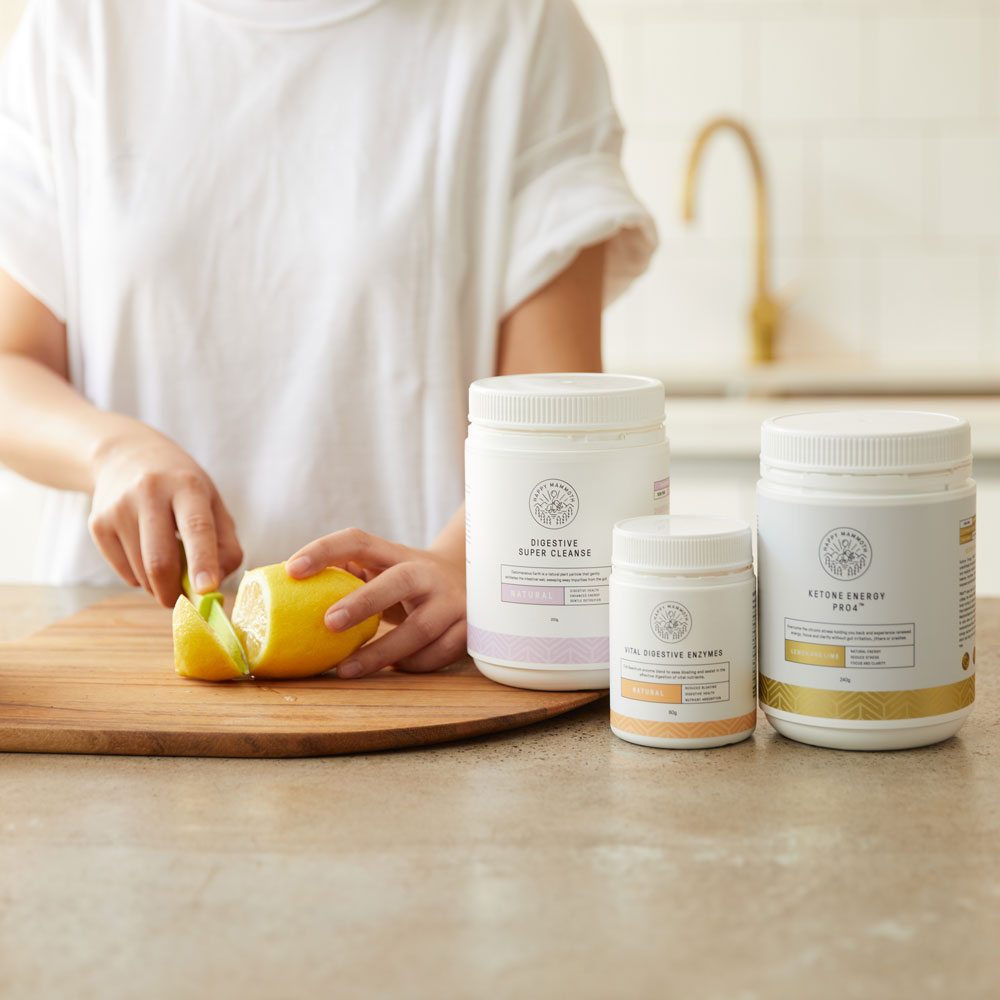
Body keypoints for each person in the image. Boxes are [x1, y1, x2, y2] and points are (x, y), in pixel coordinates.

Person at [0, 0, 655, 678]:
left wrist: (467, 561)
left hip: (410, 665)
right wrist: (111, 452)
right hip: (124, 657)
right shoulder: (76, 26)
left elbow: (559, 418)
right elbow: (8, 361)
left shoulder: (521, 30)